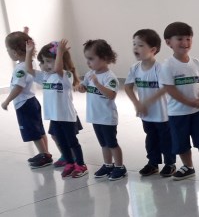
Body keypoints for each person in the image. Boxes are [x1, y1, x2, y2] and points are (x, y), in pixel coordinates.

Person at [24, 38, 87, 178]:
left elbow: (58, 68)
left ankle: (81, 165)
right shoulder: (45, 77)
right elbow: (28, 69)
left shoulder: (65, 75)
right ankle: (70, 163)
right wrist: (28, 52)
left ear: (60, 60)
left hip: (67, 117)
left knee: (72, 142)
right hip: (54, 117)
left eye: (48, 61)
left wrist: (60, 53)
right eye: (43, 62)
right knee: (62, 142)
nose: (45, 65)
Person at [159, 21, 199, 183]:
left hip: (198, 112)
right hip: (177, 113)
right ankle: (188, 166)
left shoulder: (197, 63)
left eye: (188, 39)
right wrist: (189, 102)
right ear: (169, 42)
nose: (185, 43)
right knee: (181, 143)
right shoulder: (168, 66)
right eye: (180, 39)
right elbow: (170, 89)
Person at [122, 28, 176, 177]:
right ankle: (153, 163)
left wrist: (146, 102)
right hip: (146, 114)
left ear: (153, 50)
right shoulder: (135, 68)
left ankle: (170, 163)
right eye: (134, 44)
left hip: (162, 114)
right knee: (150, 139)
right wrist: (137, 103)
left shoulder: (160, 68)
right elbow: (127, 87)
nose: (135, 48)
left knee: (166, 140)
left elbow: (165, 88)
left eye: (140, 45)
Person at [77, 39, 126, 181]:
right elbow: (84, 86)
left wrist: (97, 84)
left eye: (91, 59)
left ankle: (120, 167)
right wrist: (81, 87)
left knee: (112, 143)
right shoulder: (89, 74)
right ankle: (108, 164)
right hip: (95, 116)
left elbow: (111, 95)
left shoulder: (110, 77)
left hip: (107, 118)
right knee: (103, 144)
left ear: (104, 58)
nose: (88, 62)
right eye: (87, 59)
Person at [3, 30, 51, 168]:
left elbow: (18, 87)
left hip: (24, 104)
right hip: (32, 101)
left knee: (33, 132)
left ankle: (44, 156)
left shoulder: (20, 68)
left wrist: (7, 101)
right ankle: (45, 153)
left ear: (15, 52)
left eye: (8, 50)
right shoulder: (30, 62)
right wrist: (25, 35)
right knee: (39, 129)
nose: (7, 52)